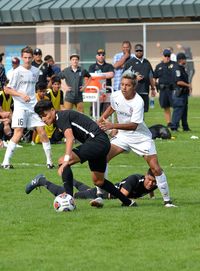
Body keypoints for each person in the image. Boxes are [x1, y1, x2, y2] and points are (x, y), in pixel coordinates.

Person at [94, 70, 176, 208]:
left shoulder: (138, 101)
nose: (124, 88)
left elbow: (133, 126)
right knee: (102, 158)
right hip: (123, 137)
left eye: (127, 85)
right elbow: (112, 107)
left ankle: (167, 201)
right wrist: (101, 119)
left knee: (155, 168)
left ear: (134, 86)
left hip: (141, 138)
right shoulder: (116, 95)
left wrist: (112, 125)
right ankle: (100, 195)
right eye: (122, 84)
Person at [34, 99, 137, 207]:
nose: (43, 119)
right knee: (98, 181)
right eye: (41, 117)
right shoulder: (59, 121)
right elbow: (57, 136)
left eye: (44, 115)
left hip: (96, 141)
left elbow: (70, 138)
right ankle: (128, 202)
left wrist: (66, 161)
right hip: (101, 142)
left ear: (52, 110)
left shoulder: (61, 117)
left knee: (63, 160)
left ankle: (69, 200)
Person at [1, 46, 54, 169]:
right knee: (18, 133)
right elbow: (7, 89)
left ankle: (50, 162)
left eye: (30, 57)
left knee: (42, 131)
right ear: (22, 58)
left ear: (33, 57)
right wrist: (21, 95)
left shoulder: (36, 71)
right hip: (20, 106)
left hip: (33, 106)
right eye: (25, 57)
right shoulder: (16, 72)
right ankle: (5, 162)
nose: (28, 60)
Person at [25, 169, 157, 202]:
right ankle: (42, 181)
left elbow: (149, 190)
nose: (151, 184)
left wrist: (152, 197)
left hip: (100, 191)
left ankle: (70, 179)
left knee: (87, 190)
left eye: (154, 182)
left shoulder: (154, 184)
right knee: (70, 196)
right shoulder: (134, 179)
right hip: (103, 194)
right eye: (149, 180)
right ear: (145, 175)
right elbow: (123, 197)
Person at [123, 44, 156, 112]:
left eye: (140, 50)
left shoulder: (147, 62)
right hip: (134, 91)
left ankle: (141, 123)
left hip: (145, 91)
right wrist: (134, 78)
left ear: (143, 51)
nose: (139, 52)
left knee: (143, 111)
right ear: (134, 51)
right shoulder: (129, 62)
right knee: (134, 111)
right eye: (137, 50)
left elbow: (150, 76)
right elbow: (124, 76)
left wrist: (153, 88)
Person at [154, 49, 178, 127]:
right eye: (165, 55)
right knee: (165, 106)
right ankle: (169, 123)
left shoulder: (174, 65)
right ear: (163, 56)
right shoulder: (159, 66)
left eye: (168, 56)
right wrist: (155, 85)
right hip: (163, 90)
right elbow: (154, 77)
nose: (167, 57)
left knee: (175, 106)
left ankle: (175, 122)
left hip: (172, 89)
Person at [170, 53, 192, 132]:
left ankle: (185, 127)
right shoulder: (177, 68)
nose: (186, 60)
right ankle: (174, 127)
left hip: (184, 93)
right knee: (178, 110)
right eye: (184, 59)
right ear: (181, 60)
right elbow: (178, 82)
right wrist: (188, 85)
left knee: (184, 110)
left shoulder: (182, 68)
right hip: (179, 93)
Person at [89, 49, 114, 114]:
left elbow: (111, 74)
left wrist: (98, 75)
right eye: (99, 55)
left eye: (103, 55)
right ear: (96, 56)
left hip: (107, 92)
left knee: (106, 113)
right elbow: (91, 76)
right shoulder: (92, 67)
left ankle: (105, 124)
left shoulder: (109, 66)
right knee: (95, 113)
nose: (101, 56)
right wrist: (105, 75)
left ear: (104, 56)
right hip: (96, 92)